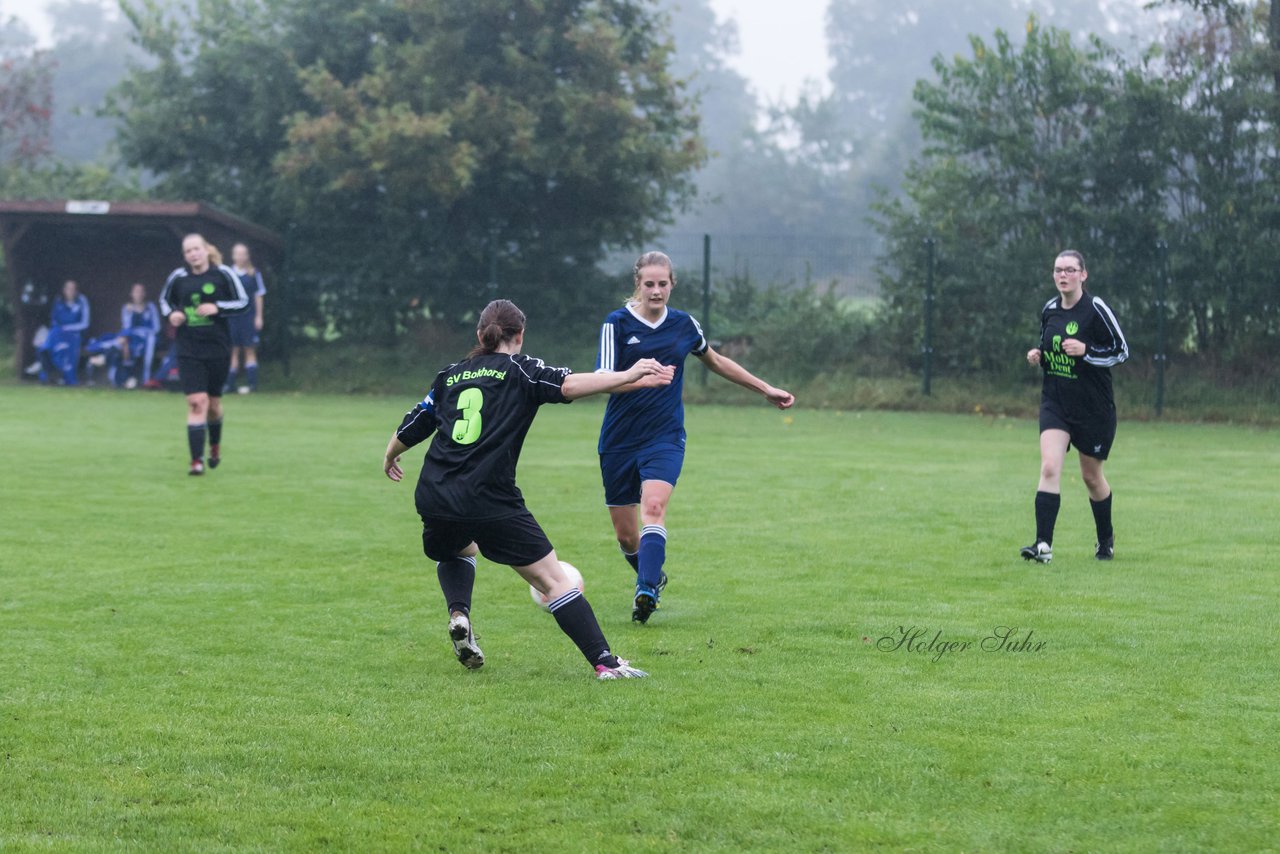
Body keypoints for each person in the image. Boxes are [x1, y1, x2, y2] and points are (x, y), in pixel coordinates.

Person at [382, 299, 675, 680]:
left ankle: (459, 615)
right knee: (553, 580)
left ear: (479, 335)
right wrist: (628, 374)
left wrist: (390, 456)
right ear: (519, 335)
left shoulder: (450, 375)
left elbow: (415, 424)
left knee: (458, 547)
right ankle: (605, 661)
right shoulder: (523, 369)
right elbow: (571, 384)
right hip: (489, 495)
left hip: (435, 492)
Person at [595, 251, 795, 623]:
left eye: (663, 284)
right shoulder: (617, 323)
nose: (656, 291)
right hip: (619, 440)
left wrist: (765, 388)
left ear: (672, 285)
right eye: (649, 284)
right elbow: (602, 379)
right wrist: (638, 376)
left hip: (664, 436)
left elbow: (717, 361)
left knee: (653, 508)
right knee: (626, 536)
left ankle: (646, 589)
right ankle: (651, 574)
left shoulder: (685, 325)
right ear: (637, 284)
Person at [1022, 249, 1129, 563]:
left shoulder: (1096, 309)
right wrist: (1037, 355)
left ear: (1083, 274)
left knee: (1091, 477)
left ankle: (1105, 539)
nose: (1063, 275)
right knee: (1050, 466)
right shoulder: (1050, 309)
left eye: (1069, 270)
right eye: (1058, 270)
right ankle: (1043, 546)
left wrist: (1087, 351)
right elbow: (1047, 343)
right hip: (1055, 402)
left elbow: (1121, 351)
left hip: (1093, 409)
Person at [158, 234, 249, 475]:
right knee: (196, 401)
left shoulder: (223, 274)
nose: (193, 254)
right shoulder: (178, 278)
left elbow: (243, 302)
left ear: (206, 250)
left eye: (196, 249)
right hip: (188, 348)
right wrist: (172, 314)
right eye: (188, 251)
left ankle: (215, 447)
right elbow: (164, 301)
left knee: (214, 405)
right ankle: (196, 461)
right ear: (185, 255)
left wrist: (217, 308)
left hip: (217, 347)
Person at [225, 242, 266, 394]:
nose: (240, 257)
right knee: (233, 350)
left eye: (243, 254)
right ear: (233, 256)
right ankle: (229, 385)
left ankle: (252, 385)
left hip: (248, 317)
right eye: (237, 253)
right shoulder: (228, 273)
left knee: (249, 349)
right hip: (232, 317)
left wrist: (259, 317)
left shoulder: (254, 274)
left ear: (247, 256)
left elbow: (259, 296)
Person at [37, 280, 90, 385]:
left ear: (76, 291)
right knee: (46, 346)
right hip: (58, 333)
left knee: (66, 350)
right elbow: (54, 320)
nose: (70, 291)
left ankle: (66, 376)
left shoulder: (82, 301)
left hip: (74, 335)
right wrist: (60, 329)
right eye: (68, 288)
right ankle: (48, 372)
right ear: (64, 290)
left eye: (73, 289)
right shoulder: (58, 301)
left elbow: (85, 323)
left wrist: (68, 328)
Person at [115, 283, 162, 388]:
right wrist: (130, 313)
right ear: (131, 294)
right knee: (122, 343)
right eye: (136, 292)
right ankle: (123, 379)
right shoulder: (127, 308)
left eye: (141, 291)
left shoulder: (150, 307)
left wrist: (142, 331)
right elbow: (126, 327)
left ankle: (146, 378)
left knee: (151, 340)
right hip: (133, 339)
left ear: (144, 294)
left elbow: (157, 328)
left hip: (148, 340)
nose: (138, 294)